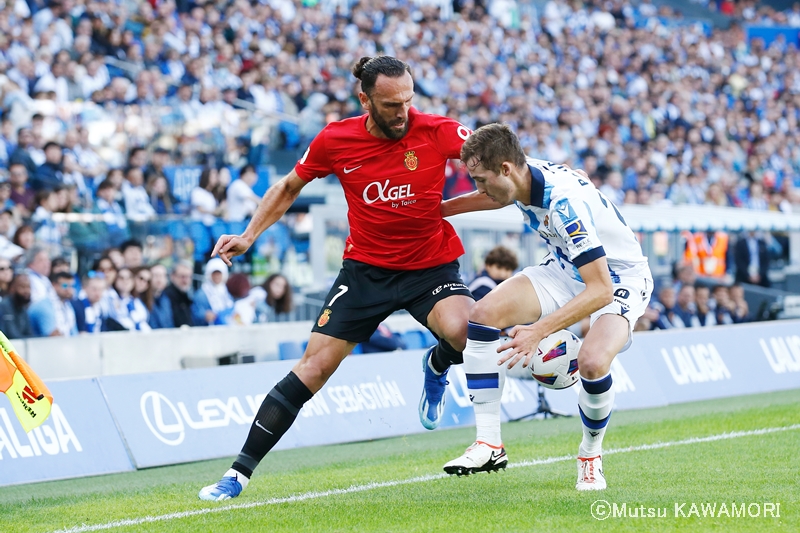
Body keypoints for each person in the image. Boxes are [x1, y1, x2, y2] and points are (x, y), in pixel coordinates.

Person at [199, 56, 474, 501]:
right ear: (364, 99)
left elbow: (500, 158)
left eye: (408, 99)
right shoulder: (335, 139)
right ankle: (237, 475)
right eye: (390, 104)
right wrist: (250, 235)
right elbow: (290, 186)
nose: (403, 111)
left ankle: (436, 364)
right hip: (365, 272)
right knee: (314, 368)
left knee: (467, 333)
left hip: (430, 266)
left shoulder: (439, 129)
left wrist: (547, 179)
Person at [439, 123, 652, 491]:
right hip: (564, 267)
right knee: (482, 316)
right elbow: (495, 197)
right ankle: (489, 443)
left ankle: (590, 455)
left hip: (618, 279)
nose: (479, 189)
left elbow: (599, 289)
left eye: (482, 179)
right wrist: (439, 211)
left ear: (506, 168)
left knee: (593, 361)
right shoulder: (521, 174)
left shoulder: (564, 205)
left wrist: (540, 330)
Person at [191, 257, 234, 326]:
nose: (217, 276)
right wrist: (204, 316)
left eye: (219, 273)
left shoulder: (226, 291)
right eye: (214, 273)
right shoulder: (202, 294)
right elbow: (195, 314)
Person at [0, 273, 33, 339]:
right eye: (22, 287)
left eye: (28, 287)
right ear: (12, 288)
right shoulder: (4, 306)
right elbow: (12, 335)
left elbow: (29, 333)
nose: (26, 291)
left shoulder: (22, 307)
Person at [162, 262, 194, 327]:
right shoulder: (166, 296)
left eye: (188, 277)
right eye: (182, 277)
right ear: (172, 276)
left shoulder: (186, 294)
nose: (185, 281)